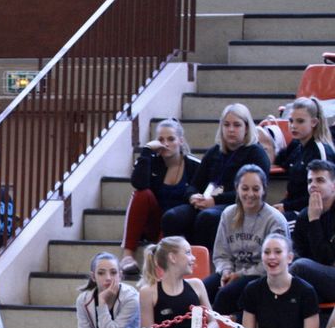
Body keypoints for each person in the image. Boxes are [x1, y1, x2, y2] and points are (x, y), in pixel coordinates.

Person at [161, 103, 270, 252]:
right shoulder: (214, 152)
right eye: (226, 125)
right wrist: (193, 196)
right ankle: (175, 260)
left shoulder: (256, 154)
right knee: (171, 217)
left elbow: (255, 193)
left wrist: (215, 201)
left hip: (238, 205)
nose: (231, 129)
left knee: (207, 218)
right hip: (207, 202)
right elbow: (194, 184)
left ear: (246, 128)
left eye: (237, 125)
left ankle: (203, 261)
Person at [119, 118, 199, 277]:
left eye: (171, 139)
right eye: (161, 140)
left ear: (181, 141)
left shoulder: (194, 166)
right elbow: (138, 184)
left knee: (172, 218)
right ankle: (127, 255)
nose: (166, 144)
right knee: (142, 194)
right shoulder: (150, 161)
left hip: (178, 226)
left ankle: (158, 259)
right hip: (154, 223)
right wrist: (147, 151)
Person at [204, 165, 288, 314]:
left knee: (225, 295)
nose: (250, 194)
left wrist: (240, 275)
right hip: (232, 272)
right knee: (199, 291)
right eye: (245, 188)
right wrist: (226, 271)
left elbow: (276, 261)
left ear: (264, 190)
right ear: (237, 188)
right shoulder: (228, 214)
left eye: (256, 189)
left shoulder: (275, 220)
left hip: (263, 275)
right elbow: (221, 254)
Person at [275, 96, 335, 214]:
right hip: (295, 207)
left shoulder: (320, 150)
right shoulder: (297, 147)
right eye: (291, 121)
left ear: (314, 122)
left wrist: (286, 207)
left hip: (315, 212)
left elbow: (322, 194)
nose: (293, 126)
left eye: (300, 121)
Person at [289, 160, 335, 302]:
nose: (313, 185)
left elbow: (326, 259)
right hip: (314, 278)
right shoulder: (304, 215)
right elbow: (297, 251)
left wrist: (314, 220)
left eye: (320, 180)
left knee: (300, 267)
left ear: (333, 185)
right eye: (310, 181)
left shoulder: (311, 215)